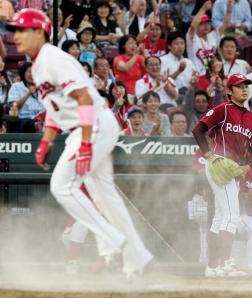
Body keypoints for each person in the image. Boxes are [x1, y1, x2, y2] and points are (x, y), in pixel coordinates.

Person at [7, 8, 153, 279]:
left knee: (61, 185)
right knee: (104, 197)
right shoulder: (39, 64)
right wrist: (45, 143)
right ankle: (136, 255)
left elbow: (85, 98)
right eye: (14, 30)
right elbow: (56, 110)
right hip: (90, 125)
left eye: (21, 30)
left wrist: (86, 144)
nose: (15, 36)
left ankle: (110, 239)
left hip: (92, 124)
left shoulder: (53, 57)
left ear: (39, 32)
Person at [192, 73, 252, 277]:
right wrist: (209, 155)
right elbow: (198, 130)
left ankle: (213, 266)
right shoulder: (223, 109)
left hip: (235, 170)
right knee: (231, 216)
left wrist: (248, 164)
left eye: (246, 85)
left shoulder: (251, 117)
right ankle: (224, 264)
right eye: (239, 86)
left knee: (221, 217)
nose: (244, 89)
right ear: (229, 91)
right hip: (219, 165)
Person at [186, 0, 230, 75]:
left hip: (213, 76)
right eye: (202, 24)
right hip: (197, 77)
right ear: (198, 25)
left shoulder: (213, 36)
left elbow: (225, 24)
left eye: (208, 23)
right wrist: (203, 8)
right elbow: (193, 26)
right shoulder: (192, 38)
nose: (206, 26)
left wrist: (230, 9)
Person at [7, 61, 45, 133]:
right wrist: (28, 94)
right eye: (30, 72)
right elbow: (15, 106)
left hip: (41, 119)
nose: (32, 74)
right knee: (32, 124)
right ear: (23, 73)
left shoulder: (43, 87)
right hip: (22, 119)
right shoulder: (16, 87)